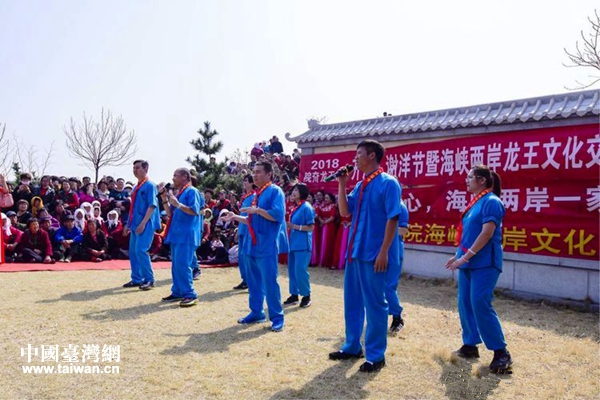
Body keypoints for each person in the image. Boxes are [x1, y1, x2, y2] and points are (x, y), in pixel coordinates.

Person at [329, 139, 401, 373]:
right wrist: (342, 184)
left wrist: (384, 251)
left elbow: (393, 218)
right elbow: (345, 212)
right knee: (352, 301)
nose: (355, 158)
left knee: (375, 304)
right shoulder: (360, 185)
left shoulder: (388, 183)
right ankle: (352, 346)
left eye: (359, 154)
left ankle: (376, 355)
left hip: (374, 254)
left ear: (372, 155)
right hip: (355, 252)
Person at [444, 164, 513, 374]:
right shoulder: (475, 203)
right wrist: (458, 256)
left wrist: (465, 257)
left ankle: (501, 352)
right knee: (465, 302)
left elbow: (486, 233)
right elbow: (469, 236)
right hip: (469, 262)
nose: (466, 181)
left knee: (479, 303)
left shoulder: (492, 202)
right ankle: (470, 345)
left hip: (485, 263)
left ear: (482, 180)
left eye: (470, 177)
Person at [222, 161, 285, 332]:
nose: (254, 175)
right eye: (254, 172)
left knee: (270, 282)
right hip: (252, 245)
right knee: (254, 282)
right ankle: (256, 312)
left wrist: (257, 210)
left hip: (266, 245)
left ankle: (277, 317)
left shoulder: (275, 191)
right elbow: (251, 220)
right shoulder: (258, 193)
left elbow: (277, 215)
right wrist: (235, 217)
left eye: (258, 172)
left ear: (269, 174)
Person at [159, 167, 204, 307]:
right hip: (177, 234)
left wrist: (178, 204)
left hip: (187, 234)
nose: (173, 178)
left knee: (183, 265)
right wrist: (164, 198)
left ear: (184, 177)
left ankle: (190, 294)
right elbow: (170, 213)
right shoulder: (180, 192)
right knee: (176, 265)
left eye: (175, 175)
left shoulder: (192, 191)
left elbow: (195, 211)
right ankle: (178, 291)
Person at [122, 160, 161, 291]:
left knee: (141, 250)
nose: (135, 170)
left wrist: (143, 223)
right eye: (134, 168)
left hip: (146, 223)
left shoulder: (150, 185)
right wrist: (128, 224)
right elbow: (132, 208)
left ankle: (149, 279)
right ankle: (137, 278)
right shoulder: (135, 187)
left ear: (146, 169)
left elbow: (152, 205)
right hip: (135, 223)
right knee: (133, 252)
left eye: (138, 167)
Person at [284, 183, 315, 308]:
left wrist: (294, 226)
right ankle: (294, 294)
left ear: (302, 193)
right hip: (293, 244)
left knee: (300, 270)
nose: (293, 192)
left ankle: (306, 296)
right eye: (293, 190)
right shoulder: (296, 207)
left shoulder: (307, 207)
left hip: (303, 244)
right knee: (292, 270)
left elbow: (311, 227)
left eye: (296, 190)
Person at [386, 199, 409, 334]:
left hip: (394, 251)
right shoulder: (384, 204)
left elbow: (403, 230)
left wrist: (385, 230)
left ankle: (397, 317)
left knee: (388, 286)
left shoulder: (400, 206)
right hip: (379, 250)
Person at [233, 174, 255, 290]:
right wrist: (238, 230)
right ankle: (245, 280)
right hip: (242, 229)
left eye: (246, 181)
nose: (244, 183)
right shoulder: (246, 197)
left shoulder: (254, 197)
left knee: (247, 256)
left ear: (252, 182)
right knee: (241, 256)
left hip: (248, 230)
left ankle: (251, 280)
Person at [316, 193, 337, 268]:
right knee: (321, 242)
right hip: (322, 226)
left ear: (331, 199)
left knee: (328, 243)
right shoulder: (321, 206)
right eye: (325, 198)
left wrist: (324, 222)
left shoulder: (333, 206)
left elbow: (332, 217)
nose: (325, 199)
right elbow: (318, 214)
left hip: (329, 227)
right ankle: (320, 261)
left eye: (327, 198)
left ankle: (327, 261)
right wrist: (321, 221)